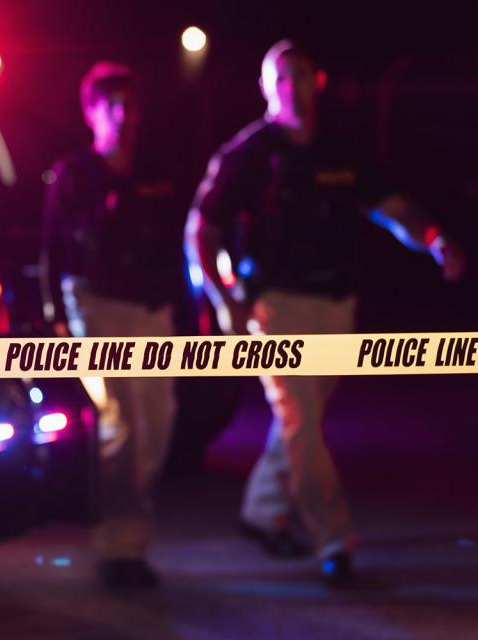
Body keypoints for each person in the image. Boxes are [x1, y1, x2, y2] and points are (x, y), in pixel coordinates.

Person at [185, 39, 466, 587]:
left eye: (301, 74)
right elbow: (203, 228)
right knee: (298, 419)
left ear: (320, 81)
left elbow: (392, 207)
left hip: (336, 304)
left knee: (304, 419)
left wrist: (435, 240)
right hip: (277, 305)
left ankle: (263, 512)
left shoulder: (341, 149)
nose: (292, 85)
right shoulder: (248, 154)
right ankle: (335, 539)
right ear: (267, 88)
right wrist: (225, 299)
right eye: (281, 77)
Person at [41, 61, 182, 588]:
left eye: (130, 104)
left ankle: (128, 527)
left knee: (158, 425)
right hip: (95, 305)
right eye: (111, 105)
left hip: (151, 311)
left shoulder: (159, 173)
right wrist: (57, 318)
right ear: (91, 112)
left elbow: (178, 247)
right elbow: (53, 251)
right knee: (120, 421)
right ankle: (119, 546)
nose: (123, 115)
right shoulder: (73, 175)